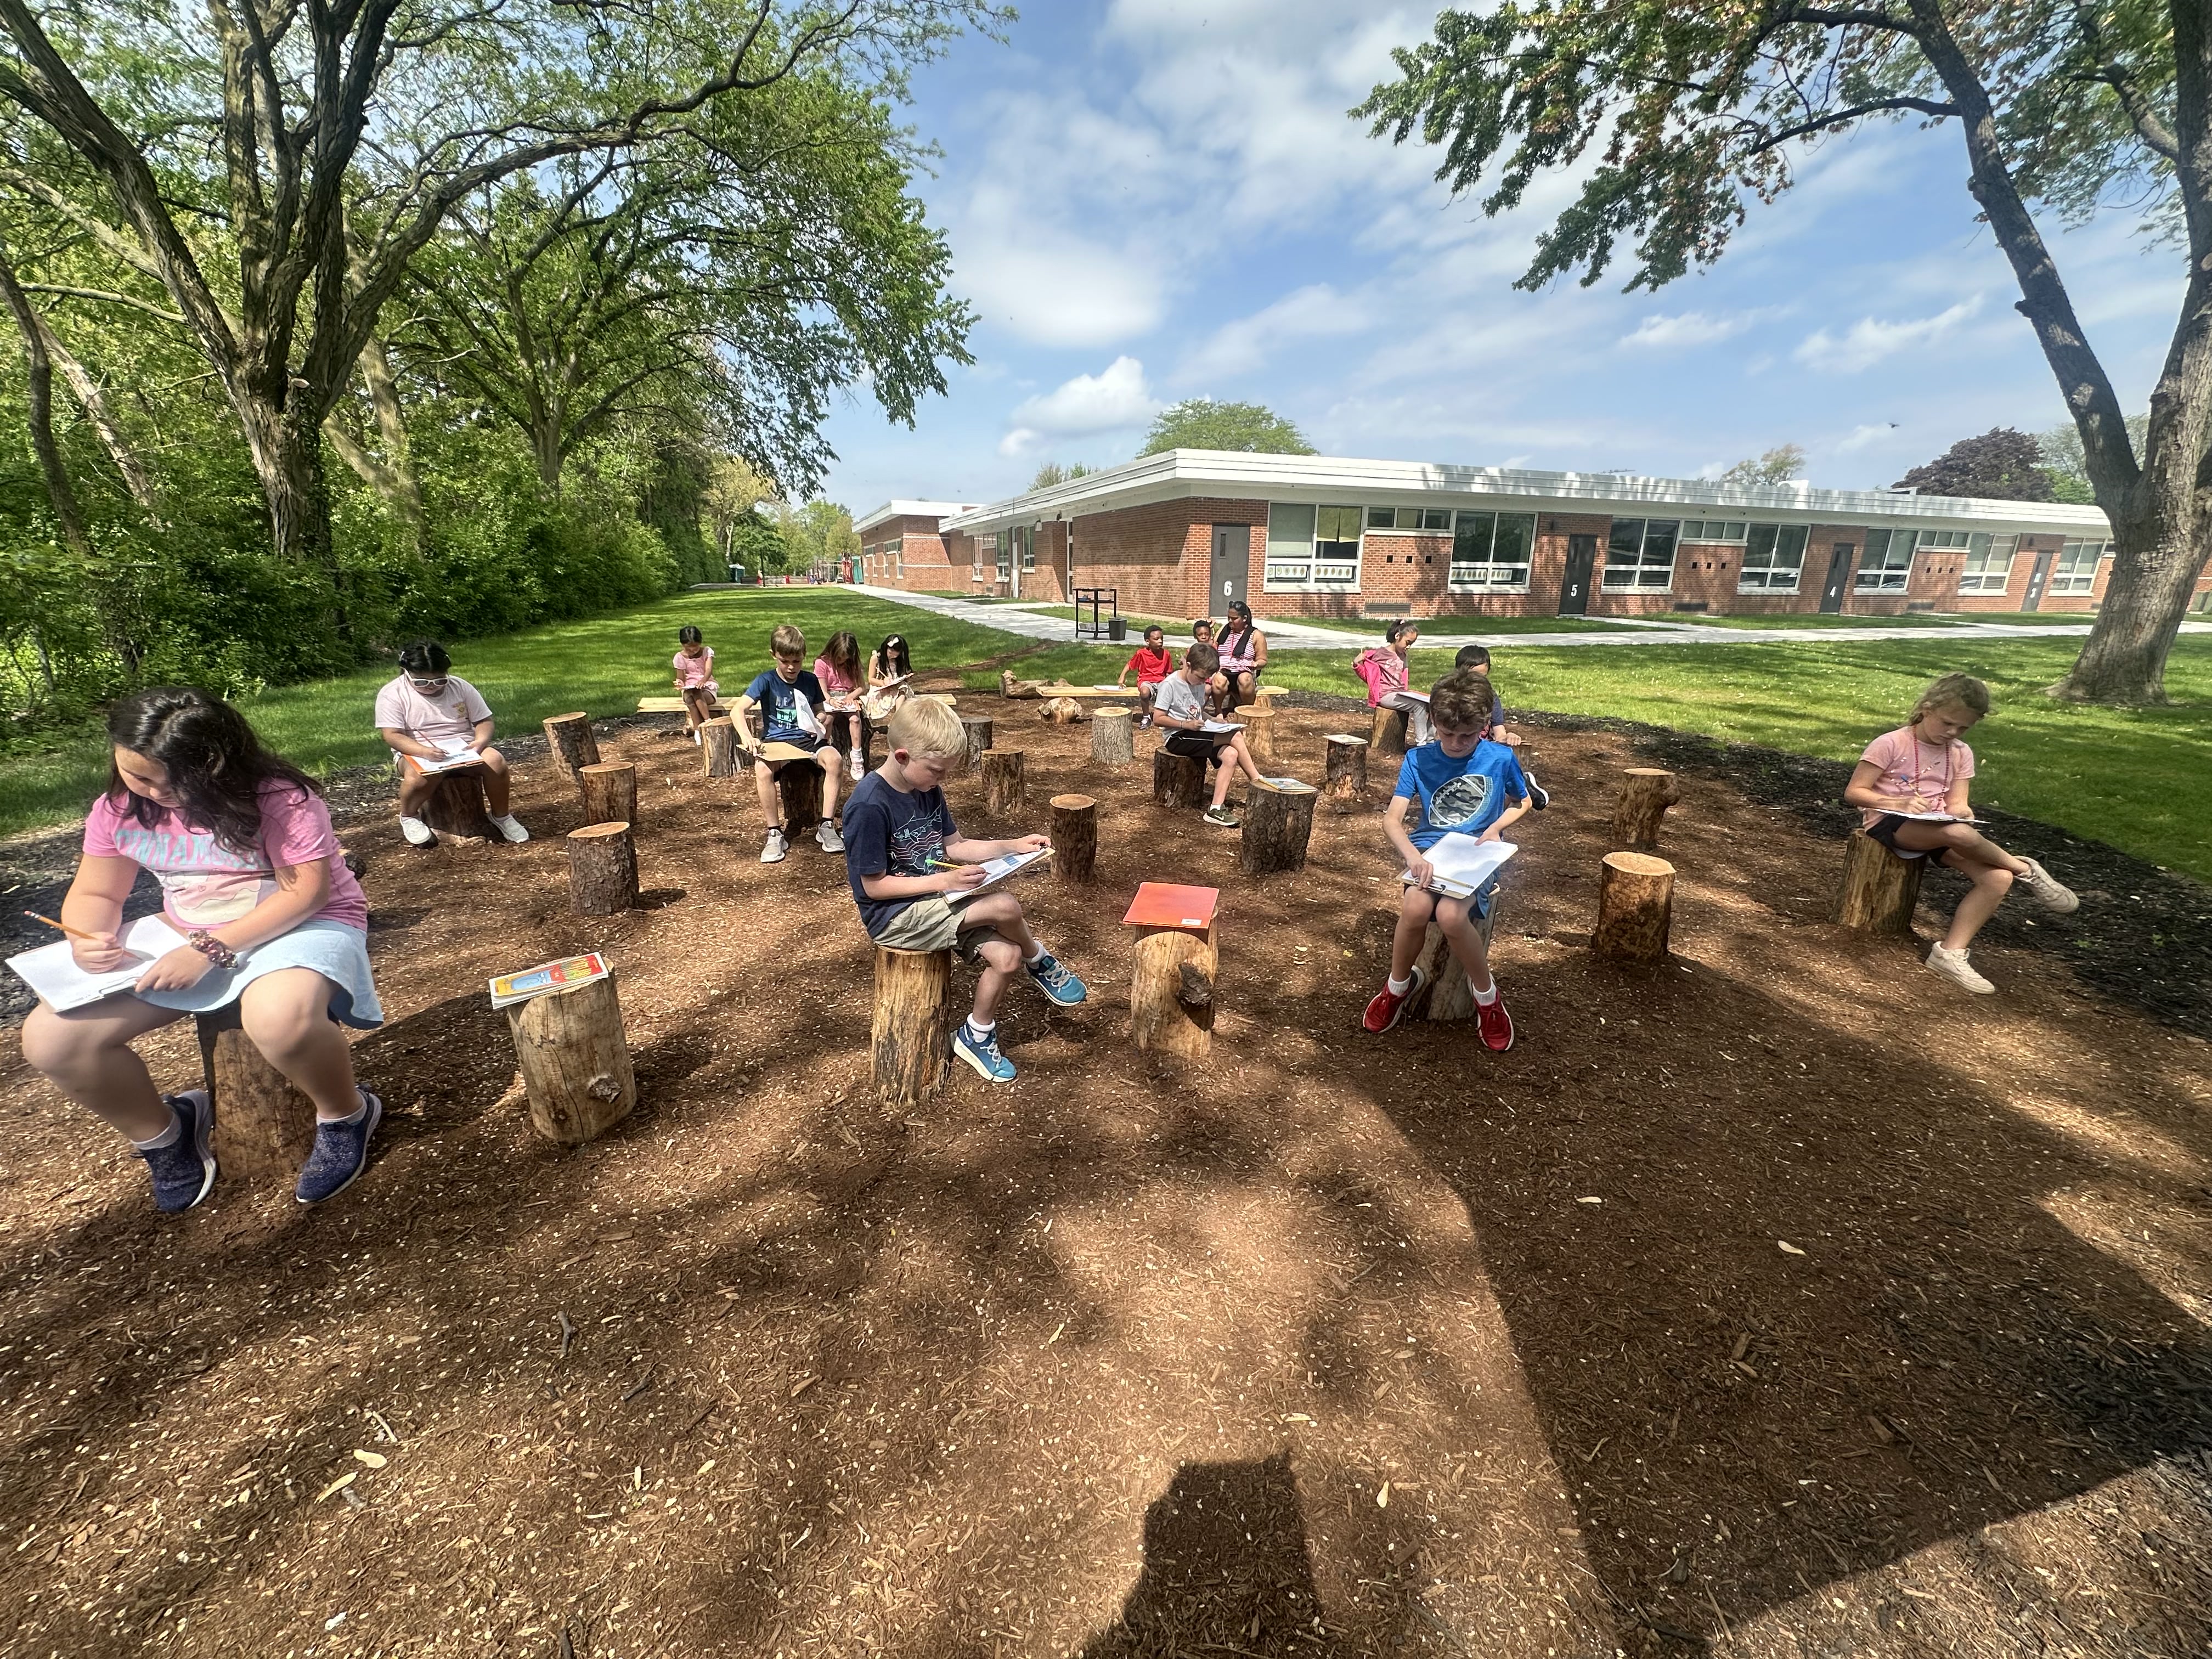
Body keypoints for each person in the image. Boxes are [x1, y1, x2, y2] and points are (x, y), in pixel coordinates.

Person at [21, 688, 386, 1210]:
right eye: (139, 775)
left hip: (303, 923)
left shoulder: (278, 797)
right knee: (51, 1039)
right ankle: (164, 1134)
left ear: (220, 761)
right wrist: (88, 936)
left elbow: (305, 892)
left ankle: (346, 1113)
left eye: (178, 780)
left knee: (280, 1019)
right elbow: (97, 893)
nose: (159, 792)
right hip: (188, 931)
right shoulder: (117, 810)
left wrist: (209, 949)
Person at [841, 697, 1088, 1082]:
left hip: (937, 903)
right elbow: (873, 887)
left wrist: (1011, 845)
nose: (941, 781)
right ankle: (1038, 960)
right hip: (895, 918)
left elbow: (954, 846)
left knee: (1005, 958)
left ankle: (976, 1035)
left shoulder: (925, 788)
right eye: (937, 772)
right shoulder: (869, 806)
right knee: (1005, 905)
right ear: (903, 756)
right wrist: (946, 881)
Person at [1842, 672, 2076, 994]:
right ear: (1926, 709)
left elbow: (1958, 804)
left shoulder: (1960, 752)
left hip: (1939, 828)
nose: (1953, 733)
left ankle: (1950, 954)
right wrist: (1896, 800)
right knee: (1962, 836)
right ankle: (2026, 869)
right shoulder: (1890, 743)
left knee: (1996, 879)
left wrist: (1962, 812)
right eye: (1947, 723)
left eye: (1963, 728)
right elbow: (1855, 792)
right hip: (1890, 823)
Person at [1363, 670, 1531, 1049]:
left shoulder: (1500, 758)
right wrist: (1414, 857)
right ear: (1435, 723)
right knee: (1417, 908)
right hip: (1429, 851)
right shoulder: (1418, 759)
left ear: (1485, 726)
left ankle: (1487, 998)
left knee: (1452, 916)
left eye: (1467, 736)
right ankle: (1398, 986)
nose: (1455, 744)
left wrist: (1495, 830)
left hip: (1476, 853)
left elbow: (1523, 802)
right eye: (1446, 733)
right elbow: (1392, 820)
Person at [375, 641, 528, 845]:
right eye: (422, 682)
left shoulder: (460, 686)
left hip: (464, 748)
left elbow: (484, 721)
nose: (431, 687)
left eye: (439, 681)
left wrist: (480, 742)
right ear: (405, 672)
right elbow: (393, 735)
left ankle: (501, 816)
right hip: (416, 751)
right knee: (420, 776)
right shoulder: (392, 693)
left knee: (496, 762)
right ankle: (409, 816)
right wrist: (424, 752)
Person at [736, 623, 845, 862]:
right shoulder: (765, 681)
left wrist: (820, 719)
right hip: (778, 743)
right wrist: (747, 736)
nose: (791, 667)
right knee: (762, 768)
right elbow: (738, 710)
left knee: (835, 760)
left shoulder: (809, 680)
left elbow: (819, 711)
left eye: (797, 661)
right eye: (785, 661)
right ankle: (775, 832)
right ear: (774, 655)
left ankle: (826, 826)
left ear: (803, 656)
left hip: (809, 742)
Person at [1152, 641, 1267, 830]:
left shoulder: (1198, 682)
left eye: (1205, 678)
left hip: (1196, 731)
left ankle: (1215, 808)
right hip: (1177, 737)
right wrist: (1185, 724)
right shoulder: (1170, 685)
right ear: (1188, 666)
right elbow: (1158, 718)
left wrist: (1215, 720)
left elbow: (1196, 713)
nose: (1201, 681)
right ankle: (1257, 780)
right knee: (1235, 737)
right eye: (1200, 677)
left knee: (1231, 754)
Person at [1453, 643, 1549, 810]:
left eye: (1483, 677)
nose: (1479, 682)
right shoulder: (1450, 697)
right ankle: (1520, 781)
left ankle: (1520, 786)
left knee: (1497, 761)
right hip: (1459, 749)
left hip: (1484, 750)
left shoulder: (1490, 698)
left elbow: (1499, 733)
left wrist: (1508, 737)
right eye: (1473, 677)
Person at [1353, 621, 1432, 746]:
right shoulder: (1380, 654)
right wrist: (1356, 665)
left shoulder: (1403, 655)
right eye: (1408, 642)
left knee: (1435, 704)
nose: (1409, 647)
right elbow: (1369, 676)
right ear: (1397, 636)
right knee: (1419, 706)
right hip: (1386, 695)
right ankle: (1422, 745)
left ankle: (1430, 742)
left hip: (1401, 693)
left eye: (1412, 644)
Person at [813, 629, 868, 774]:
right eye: (839, 658)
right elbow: (821, 689)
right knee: (827, 720)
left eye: (845, 658)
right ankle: (824, 750)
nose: (842, 661)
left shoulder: (853, 664)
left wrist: (850, 697)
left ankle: (857, 756)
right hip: (828, 697)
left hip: (847, 697)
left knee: (855, 719)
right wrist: (831, 700)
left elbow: (862, 687)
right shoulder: (822, 663)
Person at [1115, 624, 1178, 726]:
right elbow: (1129, 665)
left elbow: (1168, 672)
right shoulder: (1141, 653)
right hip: (1146, 680)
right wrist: (1122, 677)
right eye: (1156, 639)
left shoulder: (1166, 654)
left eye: (1162, 638)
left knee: (1169, 692)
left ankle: (1163, 717)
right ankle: (1146, 716)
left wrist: (1168, 683)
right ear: (1148, 641)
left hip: (1161, 680)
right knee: (1145, 692)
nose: (1160, 641)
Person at [1214, 600, 1268, 712]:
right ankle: (1218, 712)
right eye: (1229, 617)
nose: (1230, 621)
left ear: (1244, 618)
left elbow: (1263, 660)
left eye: (1234, 619)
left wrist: (1256, 664)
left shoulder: (1256, 635)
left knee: (1245, 679)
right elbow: (1212, 647)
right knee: (1219, 679)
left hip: (1244, 671)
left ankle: (1247, 710)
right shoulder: (1224, 630)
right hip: (1224, 670)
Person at [673, 625, 718, 744]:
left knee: (696, 691)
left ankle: (706, 723)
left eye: (696, 648)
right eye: (689, 649)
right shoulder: (679, 657)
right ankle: (699, 729)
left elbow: (708, 670)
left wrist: (703, 681)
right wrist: (679, 683)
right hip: (689, 690)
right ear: (683, 645)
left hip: (707, 688)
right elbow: (681, 678)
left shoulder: (706, 652)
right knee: (692, 693)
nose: (693, 651)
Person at [863, 633, 915, 723]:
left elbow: (899, 676)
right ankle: (898, 719)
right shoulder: (876, 658)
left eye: (895, 655)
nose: (892, 657)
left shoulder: (898, 661)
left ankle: (898, 717)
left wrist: (906, 677)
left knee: (903, 687)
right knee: (900, 689)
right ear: (886, 648)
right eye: (890, 653)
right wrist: (883, 683)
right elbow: (871, 679)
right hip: (880, 688)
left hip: (896, 687)